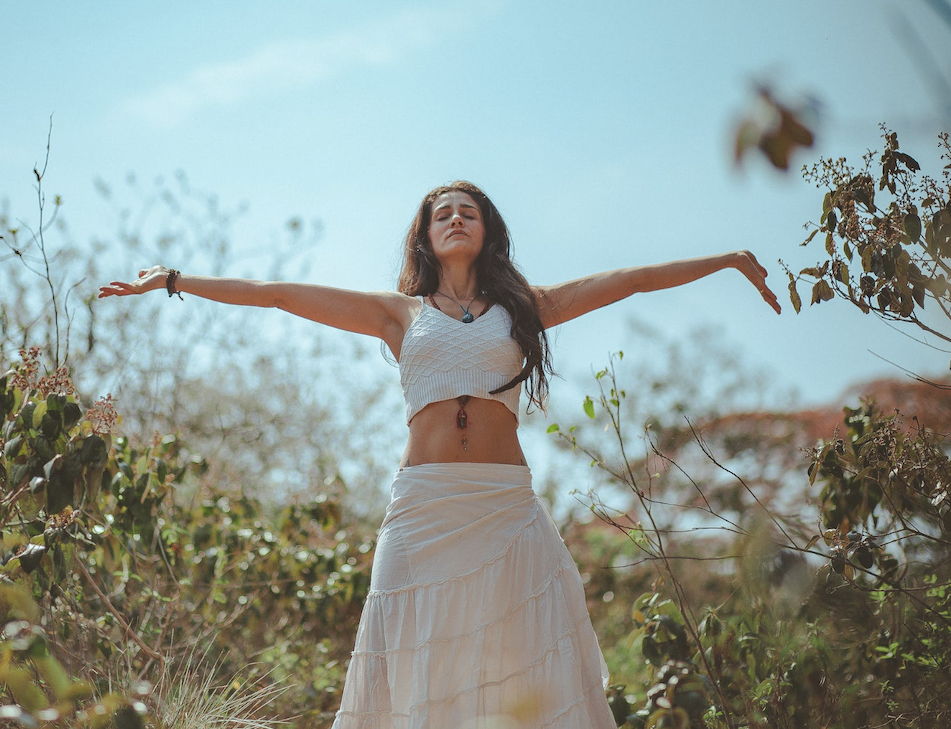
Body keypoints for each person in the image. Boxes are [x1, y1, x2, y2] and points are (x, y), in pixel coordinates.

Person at [99, 181, 780, 729]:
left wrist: (723, 260)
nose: (456, 219)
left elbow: (630, 279)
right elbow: (277, 295)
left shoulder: (525, 308)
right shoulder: (398, 313)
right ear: (425, 235)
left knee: (522, 658)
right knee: (405, 653)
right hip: (423, 509)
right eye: (442, 214)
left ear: (488, 230)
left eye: (469, 212)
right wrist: (174, 281)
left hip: (503, 506)